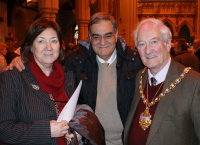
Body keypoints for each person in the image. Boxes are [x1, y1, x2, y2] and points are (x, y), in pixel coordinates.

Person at [8, 12, 144, 145]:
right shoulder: (76, 62)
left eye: (108, 36)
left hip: (126, 140)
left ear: (116, 35)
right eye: (96, 37)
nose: (102, 42)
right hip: (90, 140)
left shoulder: (135, 62)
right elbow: (47, 62)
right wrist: (22, 59)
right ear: (89, 37)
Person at [0, 18, 105, 145]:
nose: (49, 47)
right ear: (31, 46)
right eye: (41, 41)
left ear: (60, 46)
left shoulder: (68, 76)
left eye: (54, 41)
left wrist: (76, 131)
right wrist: (46, 130)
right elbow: (4, 129)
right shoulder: (13, 78)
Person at [124, 18, 200, 145]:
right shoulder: (140, 77)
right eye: (142, 44)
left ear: (168, 44)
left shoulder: (194, 83)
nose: (148, 50)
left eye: (154, 42)